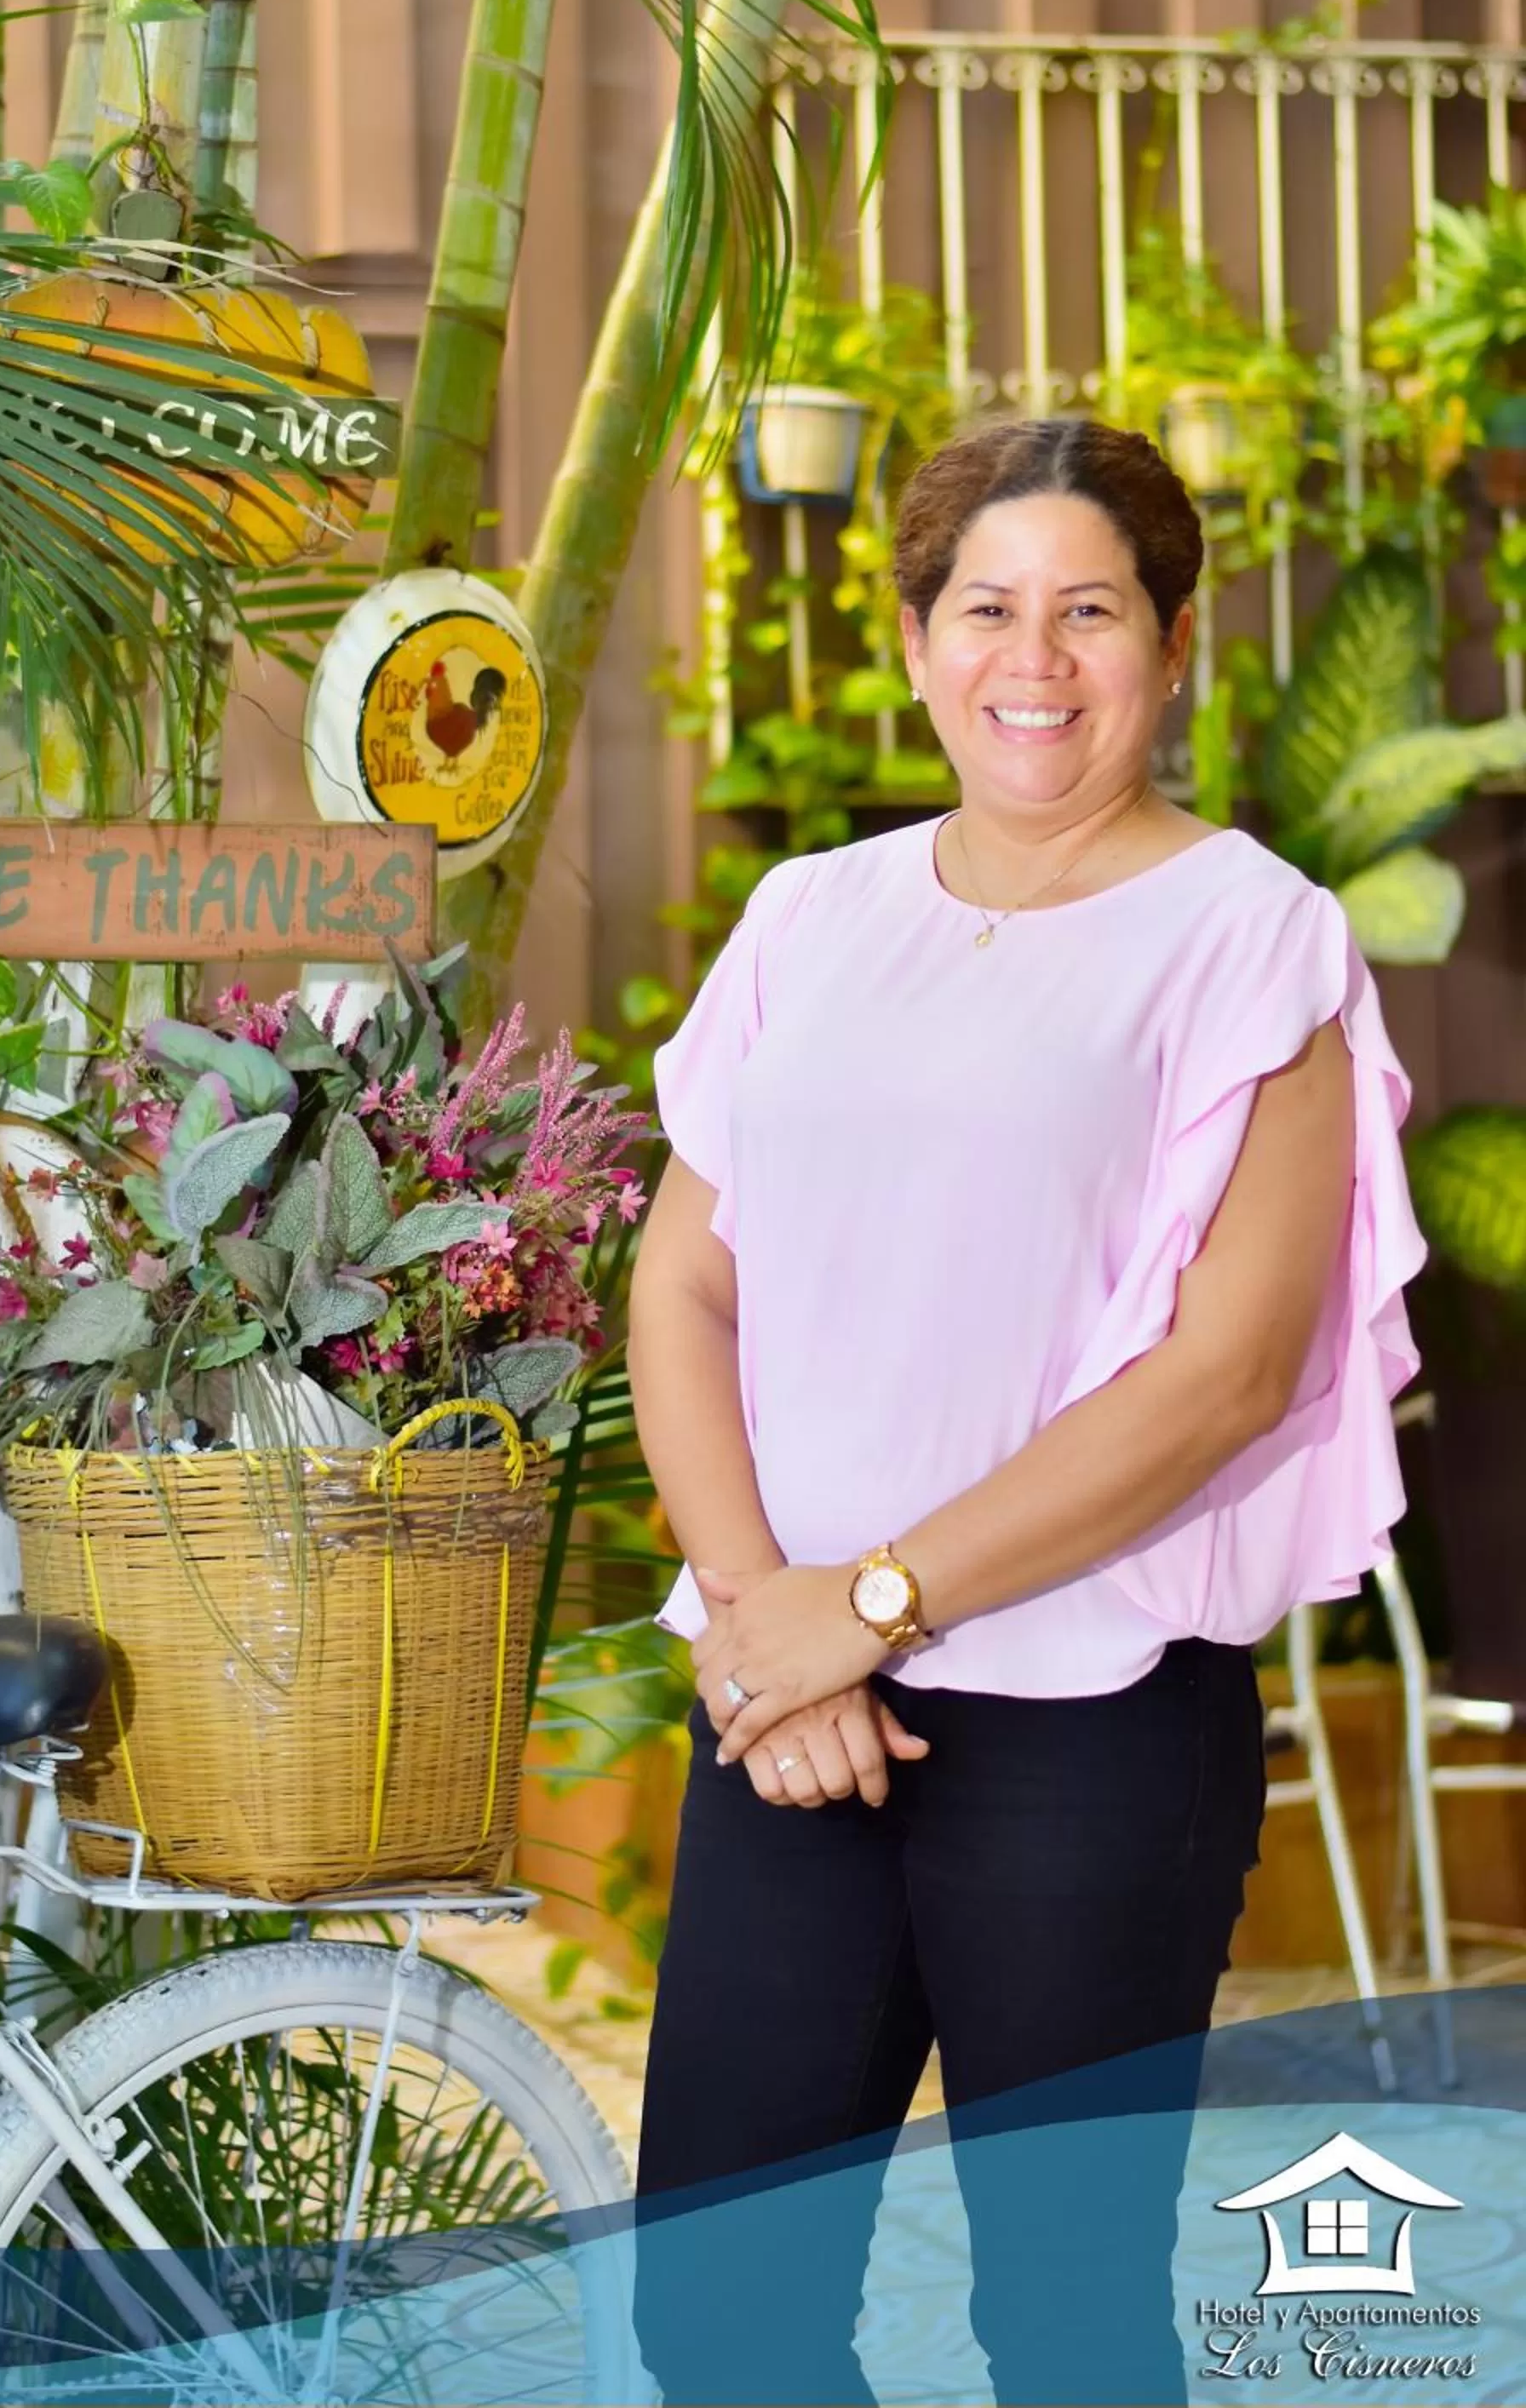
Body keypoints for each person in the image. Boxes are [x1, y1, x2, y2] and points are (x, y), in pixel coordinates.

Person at [625, 416, 1428, 2408]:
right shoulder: (810, 917)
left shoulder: (1255, 942)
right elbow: (684, 1279)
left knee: (1057, 2330)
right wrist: (768, 1621)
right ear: (914, 641)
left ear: (1171, 645)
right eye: (987, 608)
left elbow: (1227, 1372)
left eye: (1089, 612)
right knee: (719, 2319)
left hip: (1091, 1744)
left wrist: (870, 1601)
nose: (1034, 661)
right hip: (784, 1720)